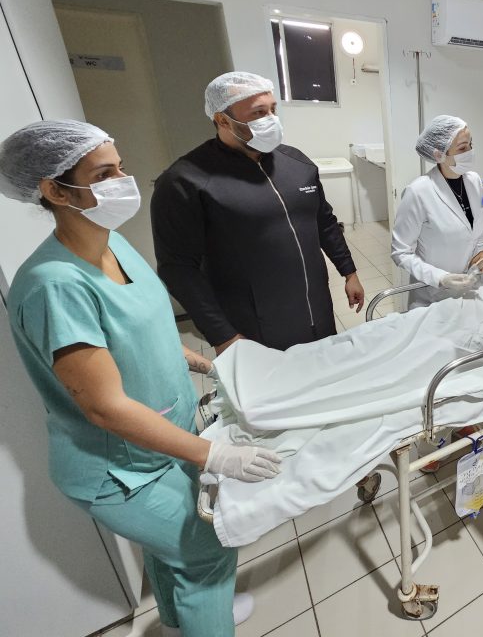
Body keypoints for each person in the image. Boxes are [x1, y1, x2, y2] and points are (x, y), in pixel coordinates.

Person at [0, 120, 282, 637]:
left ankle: (178, 621)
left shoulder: (114, 246)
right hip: (118, 470)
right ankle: (203, 614)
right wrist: (216, 455)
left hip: (162, 444)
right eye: (103, 174)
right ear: (55, 191)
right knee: (207, 550)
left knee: (176, 553)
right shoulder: (55, 286)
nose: (122, 182)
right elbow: (104, 406)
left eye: (120, 167)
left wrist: (209, 365)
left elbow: (145, 330)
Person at [151, 72, 364, 354]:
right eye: (258, 113)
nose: (271, 119)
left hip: (316, 308)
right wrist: (222, 334)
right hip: (251, 324)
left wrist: (348, 271)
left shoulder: (296, 163)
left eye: (273, 109)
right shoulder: (186, 181)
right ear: (223, 120)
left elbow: (323, 221)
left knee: (324, 368)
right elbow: (177, 268)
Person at [391, 115, 483, 309]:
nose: (470, 152)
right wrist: (440, 278)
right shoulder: (418, 192)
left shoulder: (474, 181)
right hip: (433, 297)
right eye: (462, 148)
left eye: (471, 145)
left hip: (473, 289)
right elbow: (400, 252)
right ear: (439, 155)